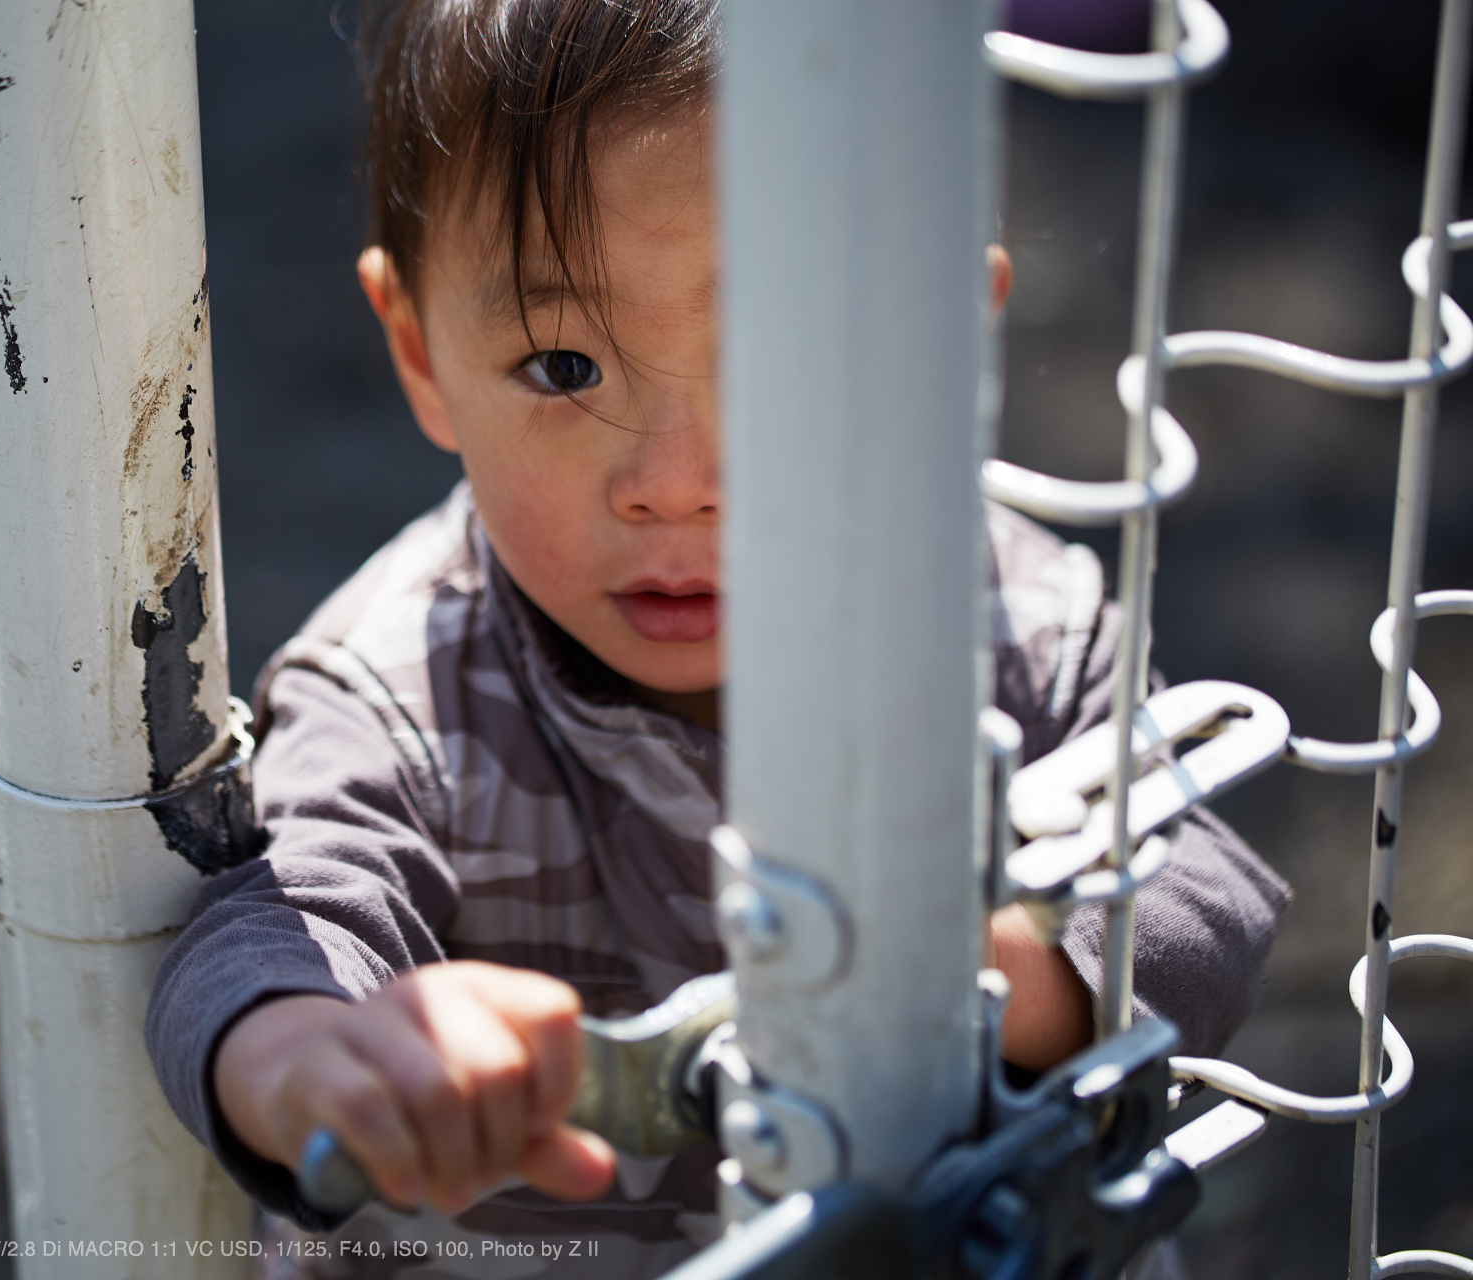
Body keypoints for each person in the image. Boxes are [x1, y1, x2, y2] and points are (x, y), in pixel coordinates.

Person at [146, 0, 1290, 1273]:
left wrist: (955, 957)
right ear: (420, 350)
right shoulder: (398, 683)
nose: (679, 480)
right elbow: (276, 914)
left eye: (783, 356)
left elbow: (1208, 892)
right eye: (565, 365)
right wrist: (319, 1054)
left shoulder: (1016, 610)